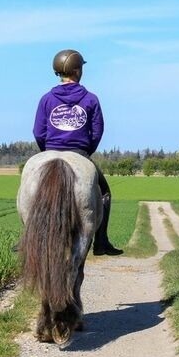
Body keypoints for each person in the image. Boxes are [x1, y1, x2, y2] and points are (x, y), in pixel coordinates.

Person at [33, 48, 123, 256]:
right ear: (77, 70)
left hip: (50, 152)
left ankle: (28, 235)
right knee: (105, 193)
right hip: (79, 152)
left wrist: (47, 152)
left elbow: (38, 131)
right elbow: (97, 130)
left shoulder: (46, 99)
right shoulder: (90, 99)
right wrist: (85, 152)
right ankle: (101, 241)